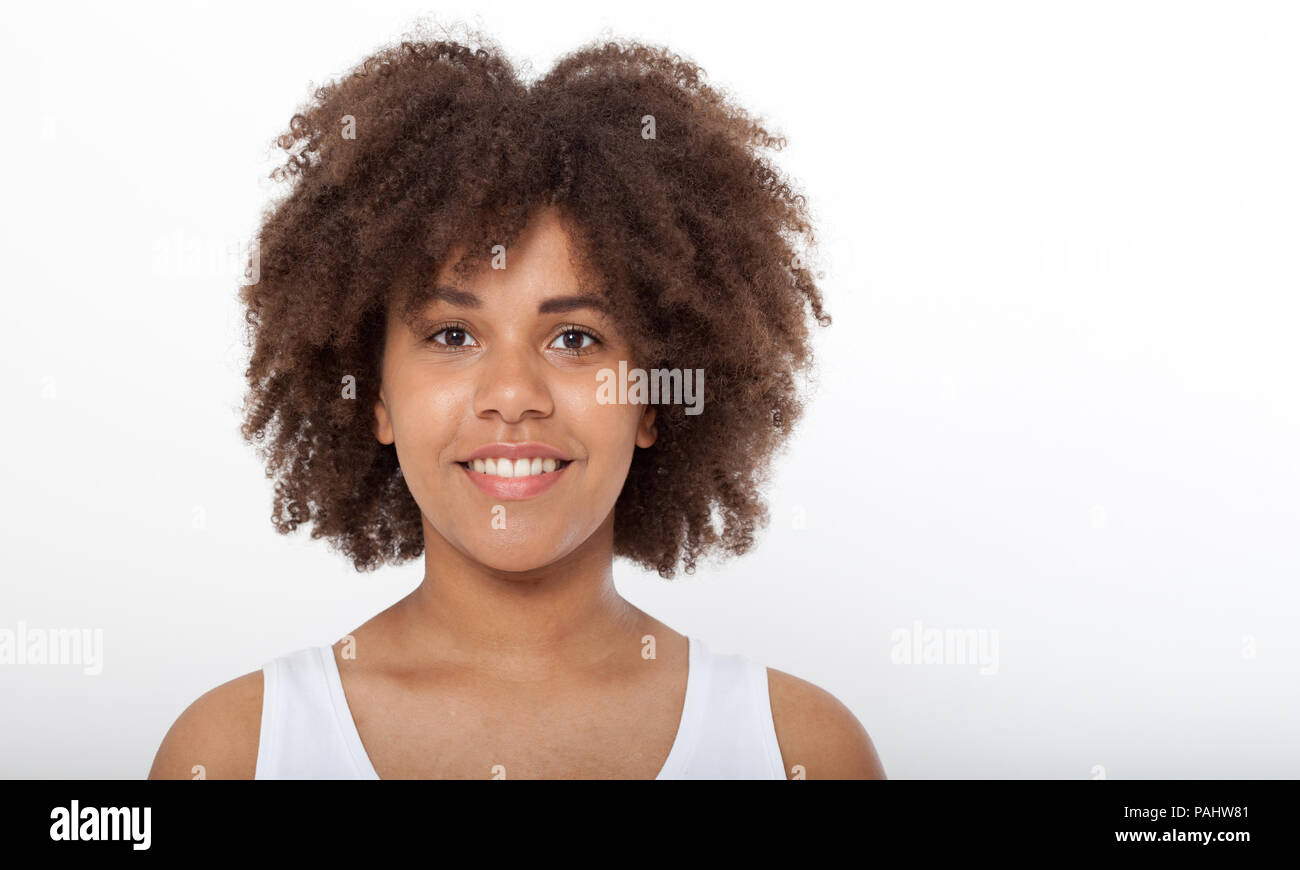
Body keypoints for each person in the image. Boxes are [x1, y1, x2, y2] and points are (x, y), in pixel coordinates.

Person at [149, 28, 885, 780]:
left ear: (654, 398)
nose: (512, 396)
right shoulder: (235, 752)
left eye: (573, 339)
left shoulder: (801, 751)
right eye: (453, 333)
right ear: (375, 396)